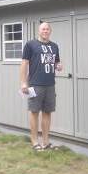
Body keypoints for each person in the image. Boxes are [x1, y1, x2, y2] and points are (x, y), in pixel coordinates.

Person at [20, 22, 62, 151]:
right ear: (39, 31)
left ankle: (46, 142)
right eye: (43, 29)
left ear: (50, 31)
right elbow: (24, 64)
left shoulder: (54, 46)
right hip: (35, 85)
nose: (45, 31)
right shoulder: (30, 45)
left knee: (47, 112)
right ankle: (34, 141)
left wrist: (59, 66)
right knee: (34, 112)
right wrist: (23, 82)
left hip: (50, 85)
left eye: (47, 29)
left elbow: (56, 63)